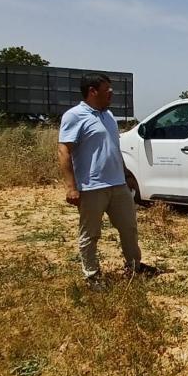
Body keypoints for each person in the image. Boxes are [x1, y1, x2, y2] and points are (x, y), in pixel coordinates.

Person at [57, 74, 156, 290]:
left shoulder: (109, 116)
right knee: (90, 233)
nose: (112, 93)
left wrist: (126, 175)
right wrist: (70, 187)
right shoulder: (74, 116)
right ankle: (92, 275)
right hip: (92, 187)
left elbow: (113, 149)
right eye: (107, 89)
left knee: (129, 228)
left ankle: (134, 266)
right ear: (93, 91)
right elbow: (64, 151)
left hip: (117, 184)